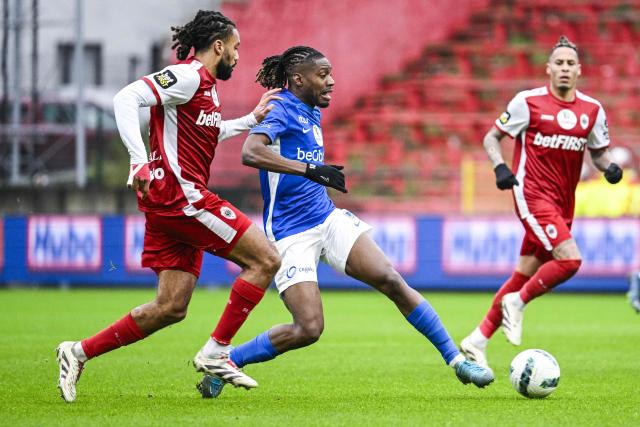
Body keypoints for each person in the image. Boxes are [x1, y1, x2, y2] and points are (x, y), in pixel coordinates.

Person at [196, 45, 494, 398]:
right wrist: (311, 170)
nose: (331, 81)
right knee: (308, 328)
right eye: (323, 75)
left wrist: (315, 178)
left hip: (327, 217)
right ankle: (229, 360)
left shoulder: (310, 109)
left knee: (391, 279)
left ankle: (457, 361)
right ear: (298, 79)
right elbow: (250, 152)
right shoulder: (281, 109)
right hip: (291, 233)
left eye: (330, 73)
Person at [55, 10, 284, 403]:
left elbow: (210, 131)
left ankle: (77, 352)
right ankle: (217, 351)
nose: (238, 56)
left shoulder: (206, 87)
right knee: (266, 259)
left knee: (171, 307)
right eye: (236, 48)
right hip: (182, 198)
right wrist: (137, 158)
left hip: (171, 202)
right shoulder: (188, 75)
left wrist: (249, 119)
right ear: (218, 46)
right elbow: (126, 97)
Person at [459, 36, 624, 370]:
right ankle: (517, 304)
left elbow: (599, 153)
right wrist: (500, 166)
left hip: (564, 202)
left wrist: (610, 168)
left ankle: (477, 339)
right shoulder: (528, 102)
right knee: (570, 261)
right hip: (531, 194)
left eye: (570, 64)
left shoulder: (592, 110)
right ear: (548, 69)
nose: (564, 69)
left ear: (579, 70)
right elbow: (492, 136)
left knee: (524, 273)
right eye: (558, 63)